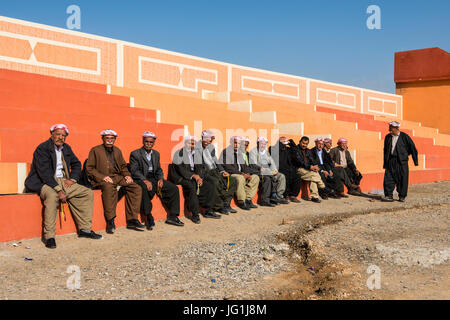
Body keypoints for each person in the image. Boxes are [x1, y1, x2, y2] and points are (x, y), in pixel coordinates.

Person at [25, 124, 102, 249]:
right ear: (52, 135)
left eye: (63, 135)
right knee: (52, 195)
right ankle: (49, 236)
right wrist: (59, 190)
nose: (60, 137)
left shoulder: (66, 148)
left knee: (87, 192)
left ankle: (85, 229)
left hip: (63, 180)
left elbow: (77, 164)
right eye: (58, 134)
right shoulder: (43, 148)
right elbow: (44, 173)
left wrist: (73, 179)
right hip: (43, 181)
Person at [86, 129, 143, 234]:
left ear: (115, 139)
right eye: (107, 138)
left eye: (112, 138)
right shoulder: (95, 150)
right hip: (102, 179)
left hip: (116, 177)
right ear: (102, 138)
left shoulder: (117, 150)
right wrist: (102, 177)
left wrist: (127, 175)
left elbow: (123, 166)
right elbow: (89, 168)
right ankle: (110, 220)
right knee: (108, 188)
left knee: (136, 187)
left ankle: (132, 219)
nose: (109, 140)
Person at [129, 131, 183, 229]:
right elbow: (134, 171)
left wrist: (161, 179)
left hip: (154, 178)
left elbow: (158, 169)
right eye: (147, 141)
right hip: (141, 178)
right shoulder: (135, 154)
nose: (149, 144)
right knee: (143, 189)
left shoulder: (156, 154)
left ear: (154, 142)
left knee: (173, 188)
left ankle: (173, 216)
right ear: (143, 141)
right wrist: (144, 180)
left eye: (151, 142)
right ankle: (148, 216)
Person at [170, 136, 220, 224]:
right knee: (191, 186)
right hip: (180, 177)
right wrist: (194, 176)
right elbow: (181, 170)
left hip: (193, 176)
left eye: (193, 144)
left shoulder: (196, 154)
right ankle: (195, 213)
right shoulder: (179, 153)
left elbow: (199, 168)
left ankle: (208, 210)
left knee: (210, 185)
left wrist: (199, 177)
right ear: (185, 144)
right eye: (189, 143)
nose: (191, 145)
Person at [198, 130, 238, 214]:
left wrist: (222, 171)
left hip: (215, 170)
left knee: (233, 180)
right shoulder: (197, 147)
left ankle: (226, 204)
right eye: (208, 139)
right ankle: (218, 206)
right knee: (216, 182)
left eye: (211, 139)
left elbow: (216, 161)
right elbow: (199, 165)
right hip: (205, 172)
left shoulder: (211, 147)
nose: (210, 141)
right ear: (202, 138)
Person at [220, 136, 260, 210]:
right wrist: (241, 174)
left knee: (255, 177)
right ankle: (242, 201)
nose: (236, 145)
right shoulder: (226, 152)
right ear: (231, 143)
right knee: (240, 178)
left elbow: (244, 166)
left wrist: (247, 174)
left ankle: (248, 199)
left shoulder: (239, 153)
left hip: (241, 173)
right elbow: (228, 167)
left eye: (238, 143)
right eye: (235, 143)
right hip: (231, 173)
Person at [382, 121, 418, 202]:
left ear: (397, 128)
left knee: (402, 179)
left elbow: (412, 148)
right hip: (391, 161)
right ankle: (388, 195)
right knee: (388, 178)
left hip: (401, 162)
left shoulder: (405, 137)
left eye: (391, 127)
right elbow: (385, 150)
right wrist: (385, 163)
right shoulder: (388, 137)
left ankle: (402, 196)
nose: (389, 129)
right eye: (390, 127)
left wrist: (414, 160)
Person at [249, 137, 289, 206]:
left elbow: (271, 162)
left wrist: (275, 170)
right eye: (261, 144)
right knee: (268, 179)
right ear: (258, 144)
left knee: (281, 176)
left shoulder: (266, 152)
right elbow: (254, 165)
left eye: (264, 144)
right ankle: (266, 199)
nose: (263, 145)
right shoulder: (253, 152)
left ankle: (279, 196)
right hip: (258, 172)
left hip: (268, 171)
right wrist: (266, 170)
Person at [291, 136, 326, 203]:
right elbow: (300, 161)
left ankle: (314, 197)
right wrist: (310, 167)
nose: (304, 145)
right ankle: (323, 187)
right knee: (313, 175)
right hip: (299, 168)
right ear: (300, 142)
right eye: (303, 143)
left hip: (307, 169)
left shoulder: (308, 150)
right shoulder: (296, 150)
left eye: (306, 144)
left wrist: (315, 166)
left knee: (313, 176)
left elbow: (312, 160)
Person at [269, 137, 301, 203]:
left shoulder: (288, 149)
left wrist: (292, 144)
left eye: (285, 142)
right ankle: (286, 195)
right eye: (283, 142)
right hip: (278, 168)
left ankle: (293, 195)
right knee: (285, 175)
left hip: (289, 168)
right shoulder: (272, 148)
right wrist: (280, 143)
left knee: (297, 176)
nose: (284, 144)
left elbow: (296, 153)